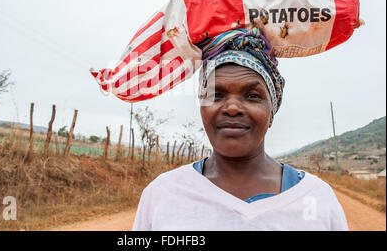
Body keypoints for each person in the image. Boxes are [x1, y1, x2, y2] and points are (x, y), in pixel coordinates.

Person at [132, 28, 348, 231]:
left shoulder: (316, 199)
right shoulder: (163, 195)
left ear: (272, 111)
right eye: (216, 95)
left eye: (253, 96)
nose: (232, 108)